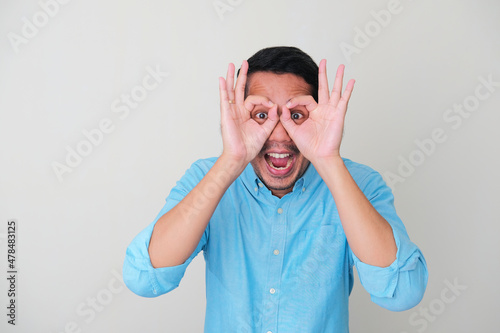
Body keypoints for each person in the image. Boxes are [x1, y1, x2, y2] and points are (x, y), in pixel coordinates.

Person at [123, 46, 428, 332]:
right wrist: (232, 160)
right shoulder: (208, 177)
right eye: (261, 115)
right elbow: (144, 278)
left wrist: (328, 161)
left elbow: (402, 293)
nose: (279, 133)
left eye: (297, 116)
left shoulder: (360, 184)